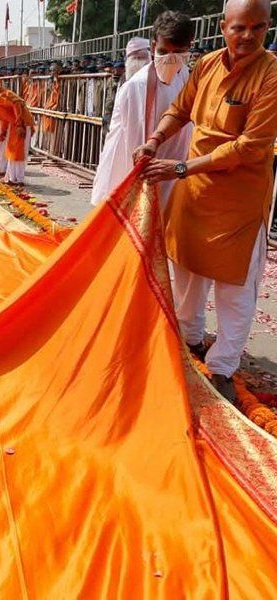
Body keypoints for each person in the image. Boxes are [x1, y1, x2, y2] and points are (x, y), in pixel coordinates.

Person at [136, 0, 277, 402]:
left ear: (267, 27)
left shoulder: (271, 75)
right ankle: (191, 339)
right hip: (196, 194)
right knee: (187, 277)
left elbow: (251, 146)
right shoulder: (208, 65)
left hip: (239, 203)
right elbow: (180, 110)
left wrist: (180, 168)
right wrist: (154, 140)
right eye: (239, 27)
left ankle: (222, 368)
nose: (247, 36)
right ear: (222, 26)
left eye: (257, 27)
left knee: (235, 292)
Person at [92, 11, 194, 208]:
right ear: (154, 46)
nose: (170, 59)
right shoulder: (138, 86)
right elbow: (136, 144)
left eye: (178, 52)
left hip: (173, 168)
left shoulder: (186, 75)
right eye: (163, 52)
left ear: (189, 48)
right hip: (140, 173)